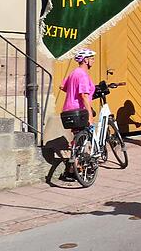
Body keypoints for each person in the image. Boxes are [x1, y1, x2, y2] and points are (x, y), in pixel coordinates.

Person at [59, 48, 97, 181]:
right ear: (85, 60)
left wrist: (72, 94)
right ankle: (76, 169)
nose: (93, 60)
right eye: (91, 58)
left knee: (77, 139)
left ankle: (71, 170)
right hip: (79, 111)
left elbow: (62, 87)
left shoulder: (73, 72)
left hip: (68, 109)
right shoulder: (83, 74)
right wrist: (90, 116)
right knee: (84, 139)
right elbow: (84, 96)